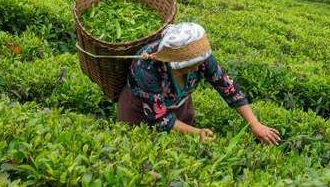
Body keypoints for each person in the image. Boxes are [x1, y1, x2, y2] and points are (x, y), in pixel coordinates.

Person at [118, 22, 280, 145]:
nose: (198, 67)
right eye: (190, 65)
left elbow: (228, 88)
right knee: (143, 146)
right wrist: (197, 132)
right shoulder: (146, 68)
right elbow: (159, 118)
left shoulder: (199, 55)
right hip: (141, 111)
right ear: (176, 62)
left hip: (180, 107)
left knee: (179, 146)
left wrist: (255, 124)